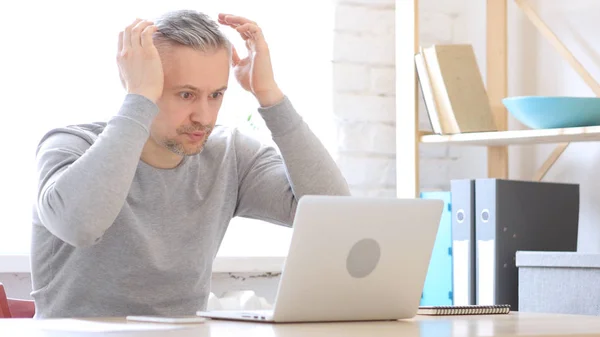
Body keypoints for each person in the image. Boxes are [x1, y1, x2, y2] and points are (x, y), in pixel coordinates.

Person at [30, 9, 350, 318]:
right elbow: (80, 226)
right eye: (185, 95)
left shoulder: (229, 154)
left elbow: (332, 212)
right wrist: (138, 99)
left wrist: (269, 95)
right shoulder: (69, 146)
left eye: (216, 95)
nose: (204, 116)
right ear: (144, 84)